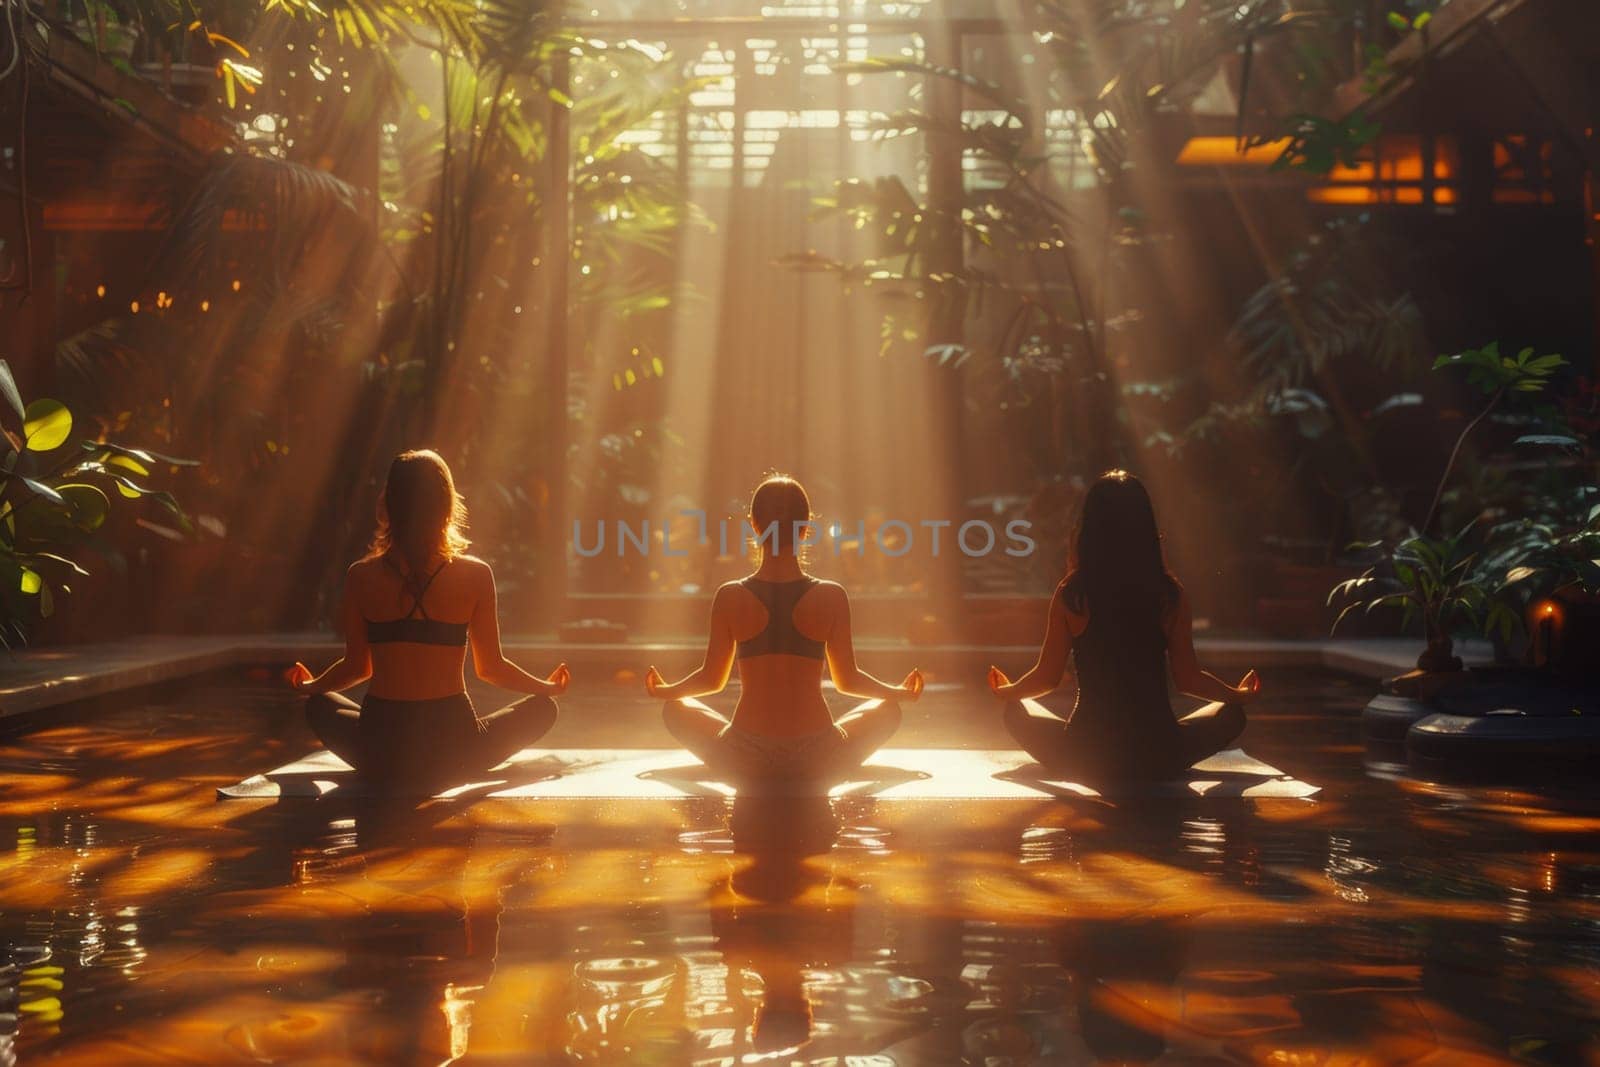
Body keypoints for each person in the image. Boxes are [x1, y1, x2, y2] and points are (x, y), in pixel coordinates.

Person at [290, 449, 569, 787]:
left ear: (389, 504)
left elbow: (356, 668)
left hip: (379, 749)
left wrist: (310, 685)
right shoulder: (476, 575)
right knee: (544, 708)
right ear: (448, 506)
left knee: (317, 705)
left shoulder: (360, 577)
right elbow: (491, 668)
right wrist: (547, 687)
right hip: (456, 749)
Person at [645, 474, 922, 783]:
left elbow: (712, 680)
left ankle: (743, 765)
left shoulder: (730, 596)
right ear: (806, 528)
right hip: (820, 757)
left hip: (745, 757)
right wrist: (898, 693)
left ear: (753, 524)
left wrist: (665, 691)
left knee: (675, 708)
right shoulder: (831, 596)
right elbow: (848, 680)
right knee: (889, 710)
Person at [987, 469, 1260, 783]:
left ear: (1089, 529)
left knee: (1015, 711)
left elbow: (1046, 678)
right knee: (1231, 715)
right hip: (1159, 754)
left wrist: (1008, 691)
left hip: (1084, 754)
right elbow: (1189, 680)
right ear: (1146, 528)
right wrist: (1236, 696)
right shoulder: (1168, 594)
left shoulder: (1073, 593)